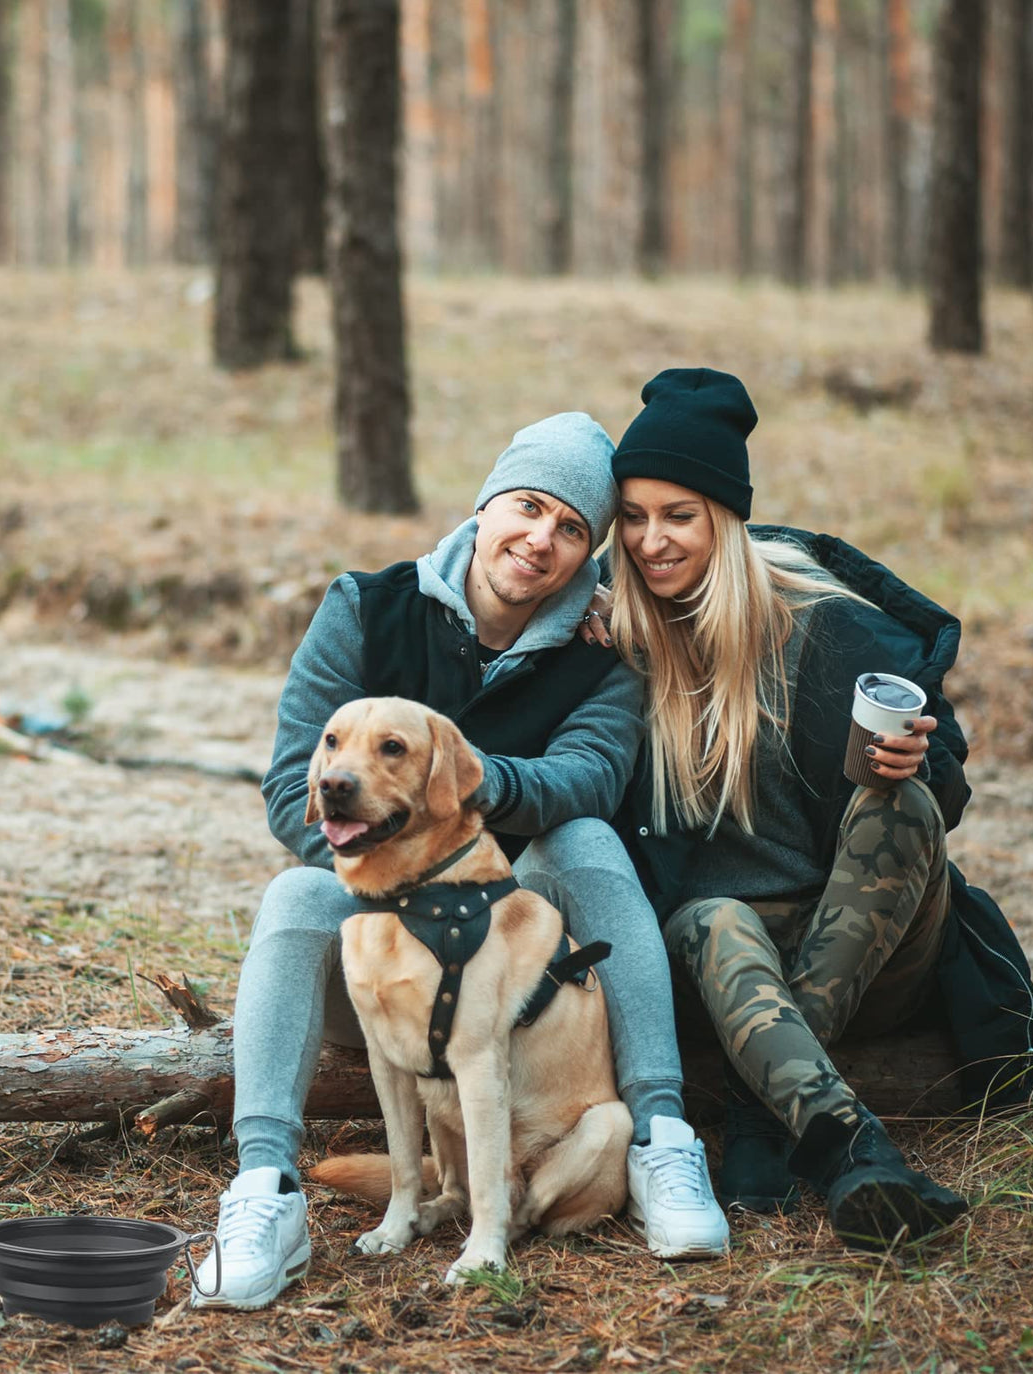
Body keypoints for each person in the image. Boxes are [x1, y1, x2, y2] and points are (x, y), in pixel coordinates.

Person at [191, 413, 729, 1312]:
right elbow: (296, 789)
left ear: (591, 556)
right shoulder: (366, 606)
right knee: (294, 893)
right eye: (527, 506)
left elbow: (588, 779)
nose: (539, 541)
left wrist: (450, 775)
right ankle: (265, 1190)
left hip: (522, 987)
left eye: (572, 530)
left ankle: (661, 1140)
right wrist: (404, 847)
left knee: (588, 840)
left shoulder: (605, 655)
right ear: (485, 505)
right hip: (384, 973)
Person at [606, 367, 1033, 1250]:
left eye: (678, 515)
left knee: (902, 805)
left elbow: (942, 768)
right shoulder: (615, 642)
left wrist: (921, 758)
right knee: (714, 915)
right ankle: (850, 1150)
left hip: (868, 952)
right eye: (635, 516)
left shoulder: (818, 621)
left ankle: (765, 1114)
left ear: (724, 517)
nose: (652, 541)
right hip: (724, 966)